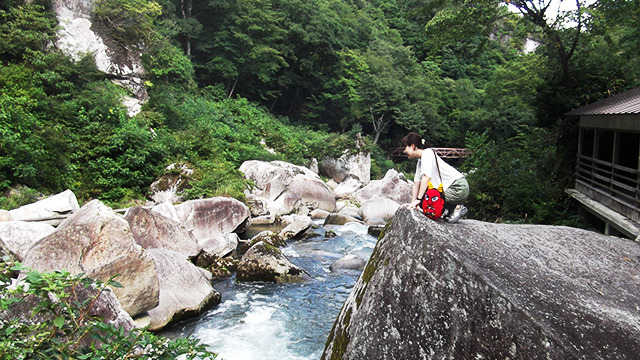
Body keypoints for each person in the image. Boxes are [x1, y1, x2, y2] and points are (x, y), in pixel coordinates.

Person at [401, 132, 469, 222]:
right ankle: (452, 209)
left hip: (458, 188)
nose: (404, 151)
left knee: (427, 199)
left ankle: (458, 207)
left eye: (405, 147)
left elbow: (426, 178)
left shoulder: (427, 154)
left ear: (412, 146)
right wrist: (413, 203)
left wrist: (418, 199)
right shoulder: (420, 160)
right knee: (424, 201)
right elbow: (417, 182)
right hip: (451, 188)